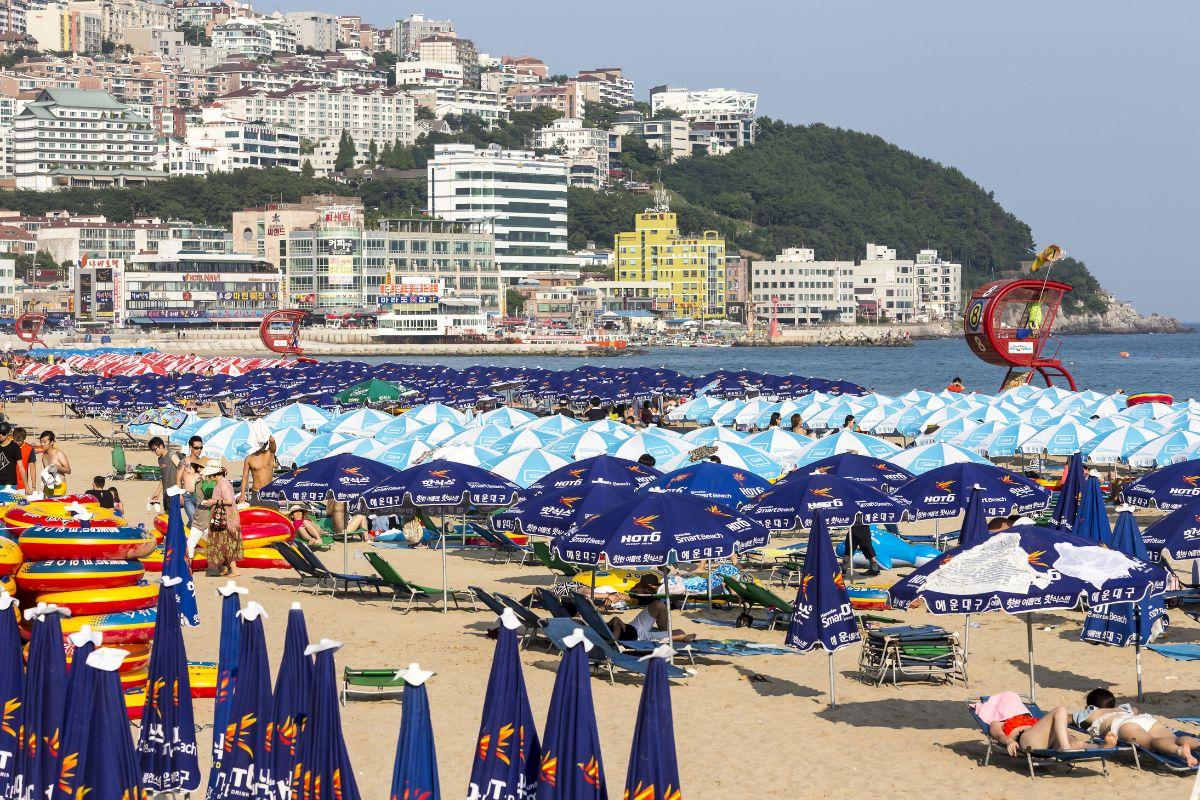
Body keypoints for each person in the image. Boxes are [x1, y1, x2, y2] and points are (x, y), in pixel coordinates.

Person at [1074, 688, 1200, 766]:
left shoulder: (1093, 712)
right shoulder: (1124, 708)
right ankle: (1197, 745)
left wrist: (1086, 712)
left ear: (1091, 705)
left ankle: (1179, 751)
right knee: (1174, 739)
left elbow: (1068, 718)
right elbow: (1136, 709)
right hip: (1144, 719)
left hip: (1124, 725)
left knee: (1151, 743)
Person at [976, 692, 1103, 756]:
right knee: (1060, 711)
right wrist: (1009, 741)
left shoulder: (1030, 717)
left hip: (1048, 739)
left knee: (1078, 744)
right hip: (1027, 739)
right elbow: (998, 735)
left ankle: (1104, 747)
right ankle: (1066, 748)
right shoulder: (997, 722)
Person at [606, 573, 696, 643]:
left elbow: (614, 619)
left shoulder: (599, 627)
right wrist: (616, 629)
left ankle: (665, 633)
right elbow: (614, 640)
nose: (655, 587)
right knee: (681, 633)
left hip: (633, 625)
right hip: (639, 636)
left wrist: (616, 620)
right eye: (654, 585)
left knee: (658, 604)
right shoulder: (604, 634)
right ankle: (670, 636)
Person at [200, 461, 241, 577]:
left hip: (227, 519)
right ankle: (225, 569)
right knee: (223, 543)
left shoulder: (223, 483)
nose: (208, 477)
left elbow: (229, 501)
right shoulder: (220, 482)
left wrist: (213, 502)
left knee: (226, 543)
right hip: (223, 518)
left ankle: (234, 570)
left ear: (214, 474)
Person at [238, 435, 277, 504]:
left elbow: (273, 441)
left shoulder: (270, 453)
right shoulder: (249, 458)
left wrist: (263, 432)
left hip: (270, 492)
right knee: (257, 514)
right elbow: (245, 476)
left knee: (271, 514)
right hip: (256, 492)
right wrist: (242, 494)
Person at [148, 437, 178, 511]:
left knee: (174, 517)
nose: (154, 452)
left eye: (155, 449)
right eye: (152, 450)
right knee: (167, 516)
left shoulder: (171, 455)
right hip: (166, 493)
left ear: (161, 446)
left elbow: (182, 469)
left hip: (175, 492)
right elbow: (163, 477)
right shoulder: (160, 460)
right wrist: (157, 493)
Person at [37, 430, 70, 496]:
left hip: (59, 486)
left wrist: (58, 467)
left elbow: (68, 470)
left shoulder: (58, 453)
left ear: (51, 442)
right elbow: (46, 473)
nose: (42, 444)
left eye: (44, 442)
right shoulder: (43, 456)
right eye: (41, 442)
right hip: (48, 486)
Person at [11, 427, 34, 492]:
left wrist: (33, 486)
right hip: (7, 484)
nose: (18, 442)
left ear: (24, 439)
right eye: (16, 440)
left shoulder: (29, 449)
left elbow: (32, 468)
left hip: (22, 485)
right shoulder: (8, 446)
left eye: (20, 441)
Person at [0, 423, 21, 489]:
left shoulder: (15, 447)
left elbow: (21, 467)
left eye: (3, 433)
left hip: (10, 484)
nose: (0, 435)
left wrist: (27, 486)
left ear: (8, 434)